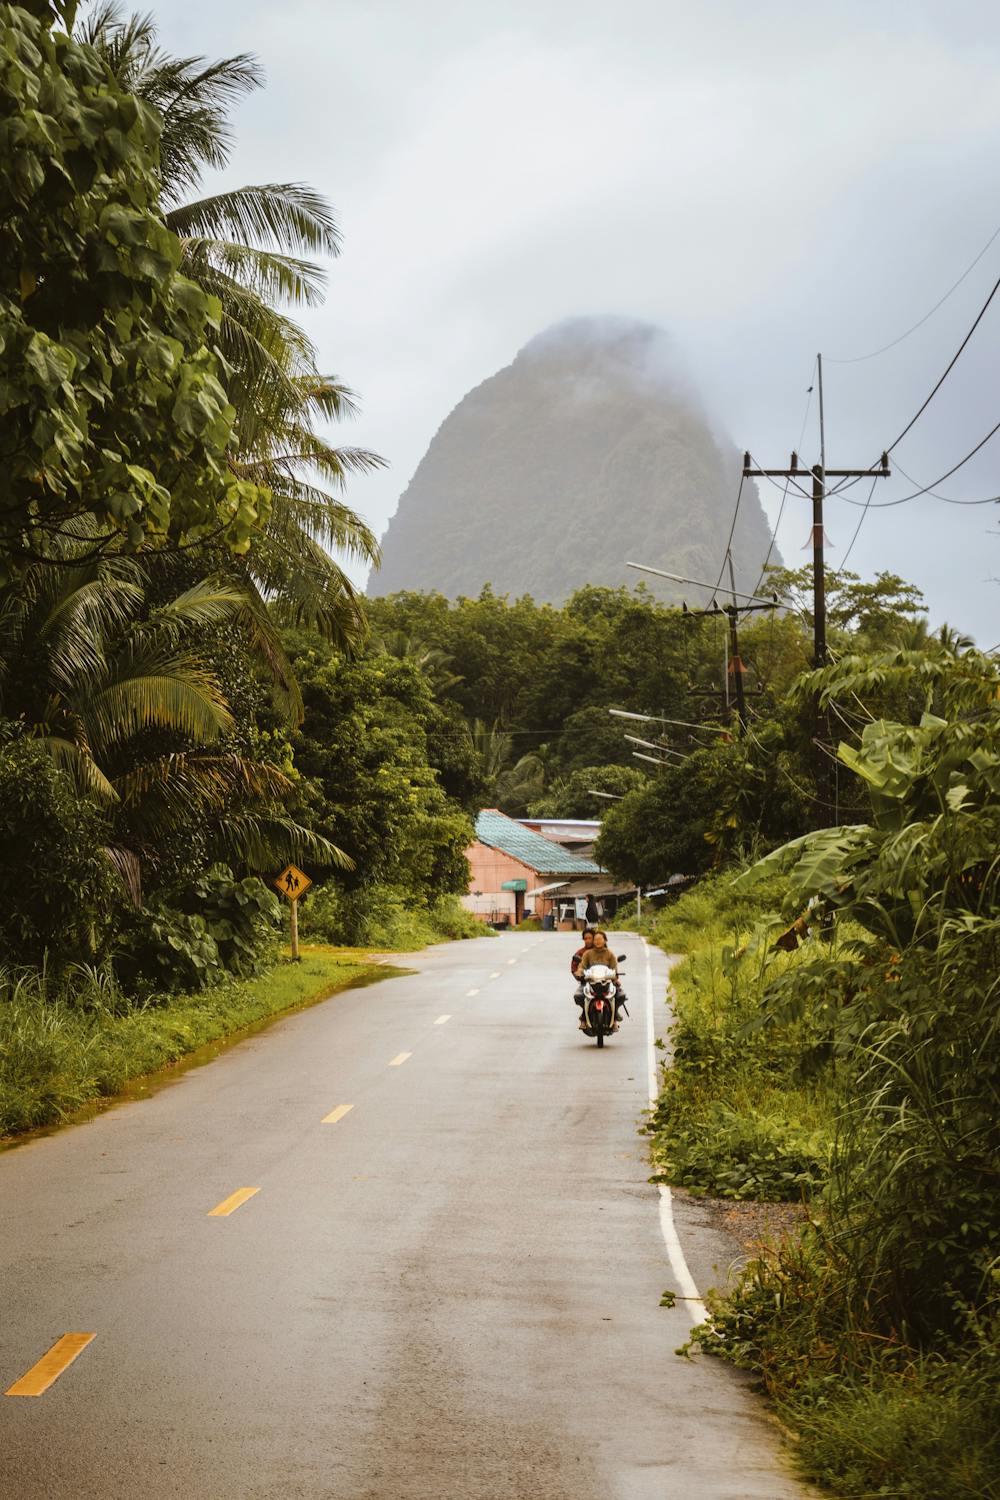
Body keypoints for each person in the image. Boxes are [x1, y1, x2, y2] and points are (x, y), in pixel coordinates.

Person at [576, 930, 627, 1028]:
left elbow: (614, 968)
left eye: (600, 939)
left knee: (621, 995)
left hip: (607, 982)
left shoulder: (610, 954)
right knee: (579, 996)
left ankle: (615, 1015)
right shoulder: (587, 954)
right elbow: (582, 966)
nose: (598, 941)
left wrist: (615, 977)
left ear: (605, 940)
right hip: (591, 982)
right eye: (596, 939)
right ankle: (584, 1018)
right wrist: (580, 972)